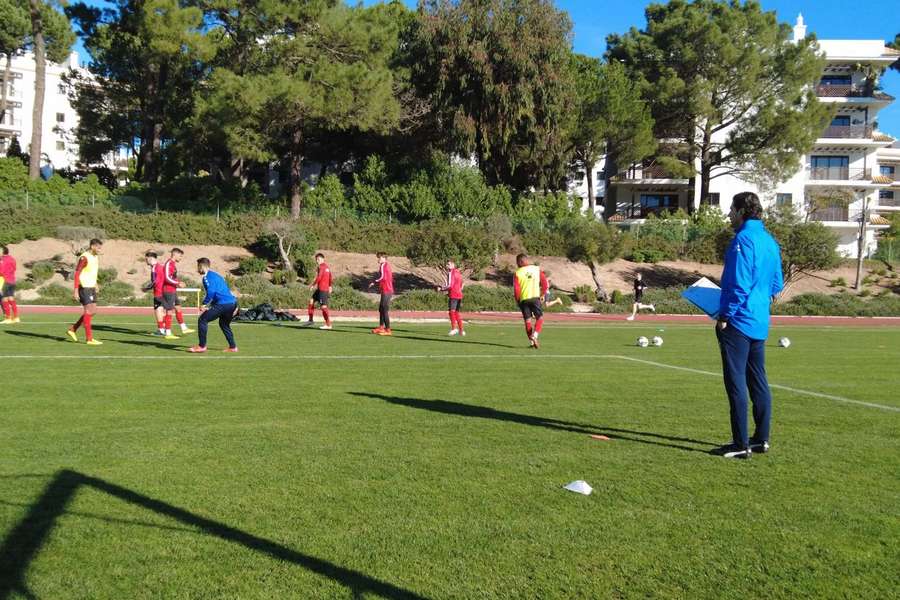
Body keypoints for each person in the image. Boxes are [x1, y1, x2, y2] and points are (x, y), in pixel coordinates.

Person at [713, 192, 784, 460]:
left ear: (742, 210)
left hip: (739, 321)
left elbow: (738, 283)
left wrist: (724, 315)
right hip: (759, 320)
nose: (729, 214)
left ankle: (740, 443)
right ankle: (760, 440)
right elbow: (777, 284)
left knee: (736, 382)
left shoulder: (742, 239)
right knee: (759, 381)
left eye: (732, 209)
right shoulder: (769, 240)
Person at [189, 258, 239, 353]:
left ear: (202, 266)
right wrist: (211, 305)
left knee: (202, 320)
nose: (197, 269)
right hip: (231, 303)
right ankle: (233, 347)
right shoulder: (217, 276)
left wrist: (204, 304)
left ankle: (201, 346)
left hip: (223, 304)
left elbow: (212, 292)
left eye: (198, 266)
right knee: (224, 324)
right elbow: (221, 292)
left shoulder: (207, 277)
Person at [67, 238, 103, 345]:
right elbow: (77, 273)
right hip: (84, 287)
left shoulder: (95, 257)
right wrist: (76, 290)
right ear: (92, 246)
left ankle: (73, 329)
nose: (100, 250)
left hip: (91, 287)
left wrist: (96, 283)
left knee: (93, 311)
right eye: (98, 248)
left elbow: (92, 272)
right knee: (88, 311)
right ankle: (89, 339)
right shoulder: (84, 257)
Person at [513, 253, 548, 349]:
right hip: (535, 298)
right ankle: (535, 336)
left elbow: (516, 289)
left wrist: (517, 300)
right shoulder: (536, 269)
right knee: (539, 318)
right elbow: (545, 282)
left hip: (524, 300)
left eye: (517, 262)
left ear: (521, 261)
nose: (516, 264)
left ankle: (532, 343)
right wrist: (543, 294)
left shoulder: (517, 273)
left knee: (527, 321)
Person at [161, 248, 194, 339]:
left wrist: (178, 282)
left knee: (178, 307)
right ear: (174, 254)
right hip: (168, 290)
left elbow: (172, 277)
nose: (181, 258)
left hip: (173, 290)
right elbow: (167, 278)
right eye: (180, 255)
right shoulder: (168, 263)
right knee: (169, 311)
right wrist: (178, 283)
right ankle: (167, 333)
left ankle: (184, 328)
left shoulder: (173, 264)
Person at [303, 252, 333, 330]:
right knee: (311, 301)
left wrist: (313, 285)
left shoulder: (321, 267)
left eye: (318, 259)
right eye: (316, 259)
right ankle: (310, 320)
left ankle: (328, 324)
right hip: (320, 289)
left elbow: (319, 277)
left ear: (323, 259)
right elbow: (330, 277)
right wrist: (330, 286)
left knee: (323, 307)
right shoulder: (327, 267)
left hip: (323, 290)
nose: (317, 261)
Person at [437, 259, 465, 336]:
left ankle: (454, 329)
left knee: (451, 312)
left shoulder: (451, 273)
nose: (447, 266)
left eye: (448, 264)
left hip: (454, 295)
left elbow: (450, 285)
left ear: (453, 265)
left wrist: (441, 288)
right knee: (456, 312)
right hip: (459, 294)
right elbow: (462, 284)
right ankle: (461, 331)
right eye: (447, 264)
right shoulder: (458, 272)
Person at [368, 252, 393, 336]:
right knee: (381, 309)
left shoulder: (383, 265)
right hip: (385, 290)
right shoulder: (385, 265)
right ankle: (381, 327)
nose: (378, 259)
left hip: (387, 290)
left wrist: (374, 282)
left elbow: (383, 277)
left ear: (383, 258)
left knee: (384, 309)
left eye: (379, 258)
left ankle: (388, 330)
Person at [144, 251, 166, 335]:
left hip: (158, 291)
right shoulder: (161, 266)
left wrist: (146, 288)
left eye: (146, 259)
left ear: (150, 258)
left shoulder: (154, 267)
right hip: (164, 291)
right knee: (161, 310)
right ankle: (163, 329)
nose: (146, 261)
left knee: (158, 310)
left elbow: (154, 281)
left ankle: (161, 329)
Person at [0, 245, 19, 324]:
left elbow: (1, 271)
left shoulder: (2, 260)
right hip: (12, 281)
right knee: (11, 298)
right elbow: (14, 268)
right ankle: (16, 317)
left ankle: (8, 318)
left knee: (4, 299)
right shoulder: (12, 259)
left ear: (3, 251)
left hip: (5, 280)